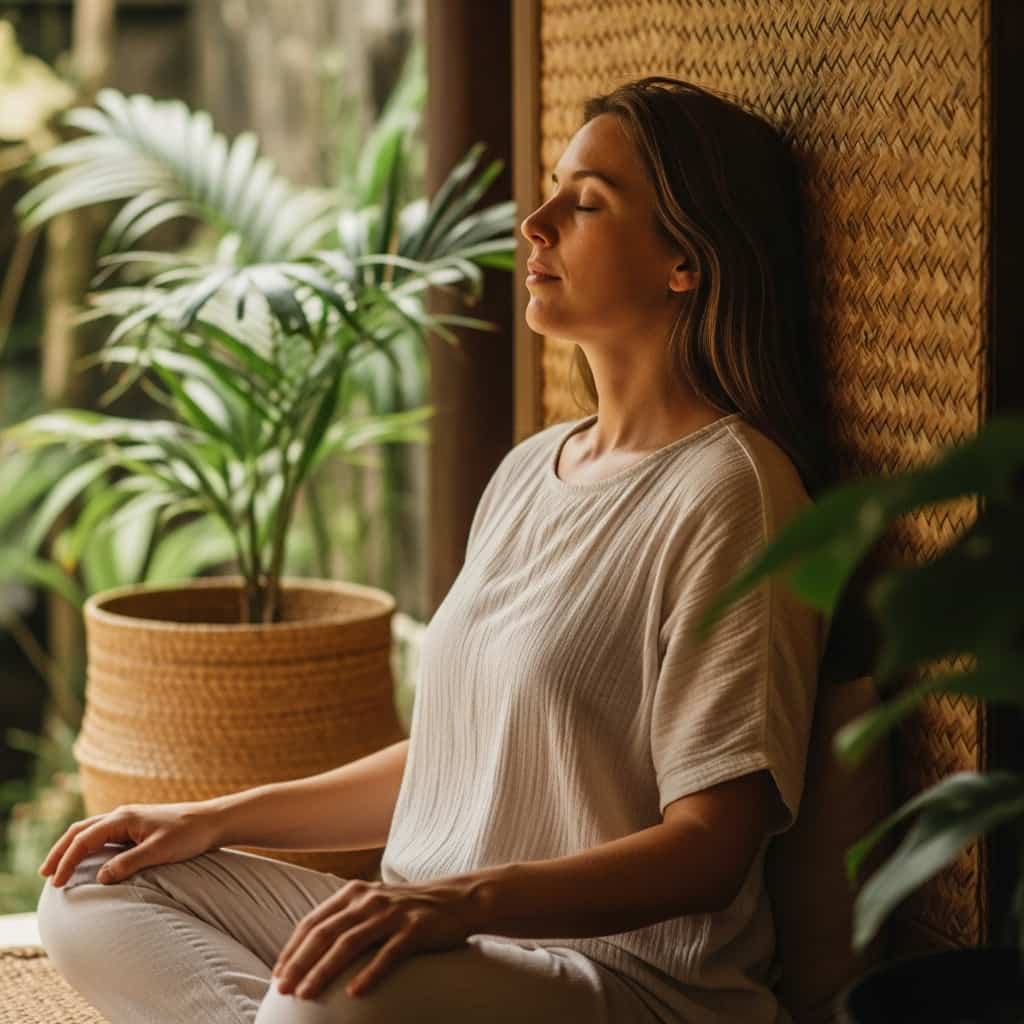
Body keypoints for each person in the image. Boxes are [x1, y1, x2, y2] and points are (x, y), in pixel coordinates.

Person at [35, 76, 829, 1023]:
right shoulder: (532, 470)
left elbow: (712, 846)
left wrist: (461, 902)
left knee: (320, 997)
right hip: (440, 933)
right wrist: (213, 818)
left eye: (585, 204)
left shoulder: (732, 490)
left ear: (686, 262)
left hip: (616, 982)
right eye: (551, 194)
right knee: (91, 887)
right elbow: (458, 758)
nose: (534, 223)